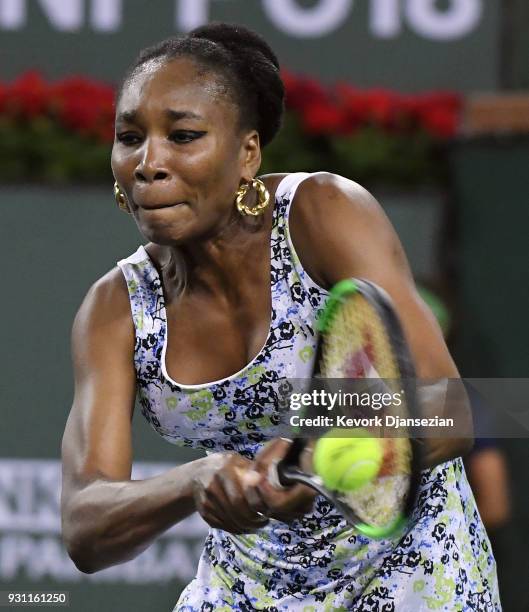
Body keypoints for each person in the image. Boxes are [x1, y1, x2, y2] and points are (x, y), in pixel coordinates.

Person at [60, 23, 500, 611]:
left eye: (183, 135)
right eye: (129, 137)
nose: (148, 162)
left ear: (248, 152)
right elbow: (85, 525)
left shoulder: (323, 212)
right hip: (249, 590)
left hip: (412, 569)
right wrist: (195, 479)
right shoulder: (115, 308)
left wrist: (314, 457)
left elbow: (452, 406)